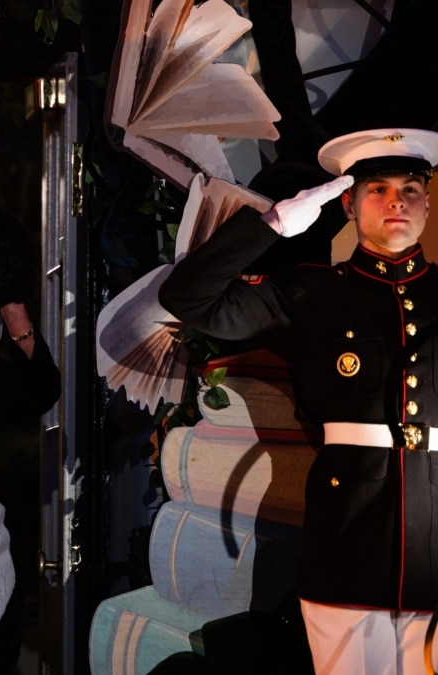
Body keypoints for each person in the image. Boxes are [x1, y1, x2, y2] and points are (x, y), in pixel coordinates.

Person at [159, 128, 438, 675]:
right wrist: (272, 226)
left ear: (427, 202)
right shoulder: (313, 292)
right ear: (350, 204)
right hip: (350, 538)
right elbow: (188, 297)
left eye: (409, 188)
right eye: (377, 189)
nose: (396, 201)